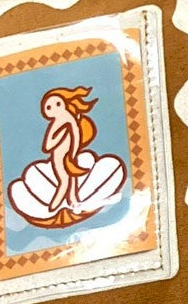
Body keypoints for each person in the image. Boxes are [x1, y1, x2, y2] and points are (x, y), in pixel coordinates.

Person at [7, 84, 127, 230]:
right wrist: (66, 140)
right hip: (61, 156)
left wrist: (70, 149)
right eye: (49, 107)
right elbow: (49, 145)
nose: (54, 109)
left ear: (64, 103)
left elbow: (70, 139)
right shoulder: (64, 120)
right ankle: (61, 204)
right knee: (67, 178)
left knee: (68, 179)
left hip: (64, 155)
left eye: (57, 104)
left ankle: (61, 204)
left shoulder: (64, 120)